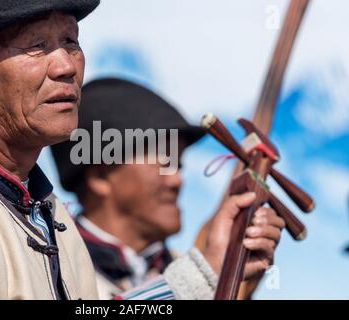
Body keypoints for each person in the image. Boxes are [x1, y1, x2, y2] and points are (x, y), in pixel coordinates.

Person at [0, 0, 283, 300]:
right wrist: (201, 278)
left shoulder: (48, 217)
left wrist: (212, 274)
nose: (67, 66)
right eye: (37, 46)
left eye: (71, 41)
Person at [51, 78, 286, 299]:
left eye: (179, 166)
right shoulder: (50, 270)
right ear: (101, 177)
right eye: (165, 163)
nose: (177, 180)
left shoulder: (186, 265)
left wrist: (233, 284)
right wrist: (204, 276)